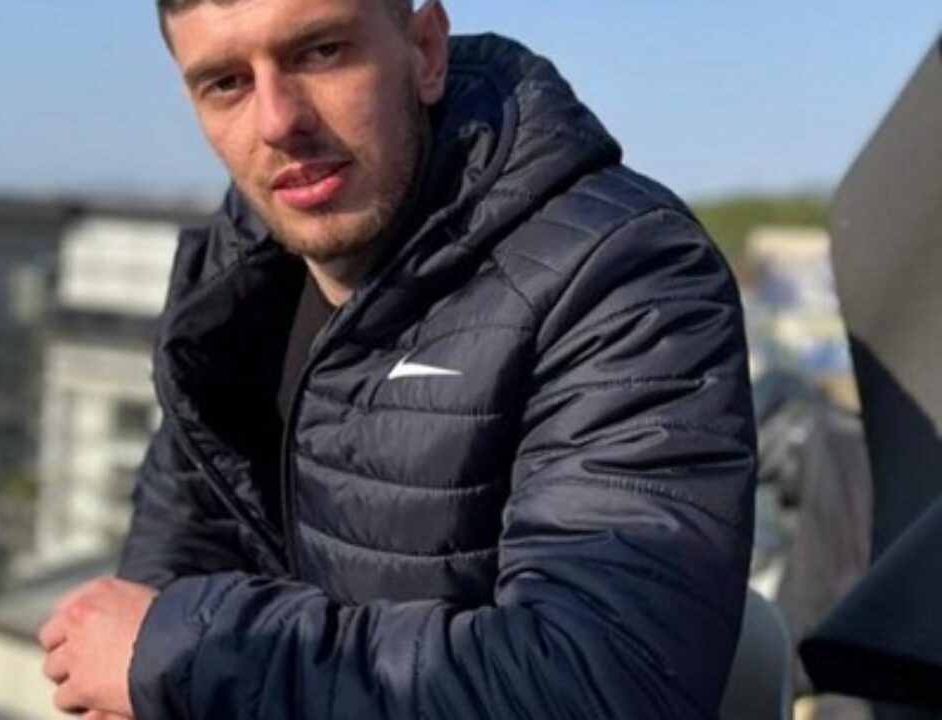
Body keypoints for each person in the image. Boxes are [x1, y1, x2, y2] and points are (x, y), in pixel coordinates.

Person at [39, 1, 758, 718]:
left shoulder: (626, 275)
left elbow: (598, 685)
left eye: (321, 51)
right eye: (226, 83)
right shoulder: (233, 283)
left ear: (425, 50)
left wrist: (186, 657)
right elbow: (180, 547)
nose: (277, 121)